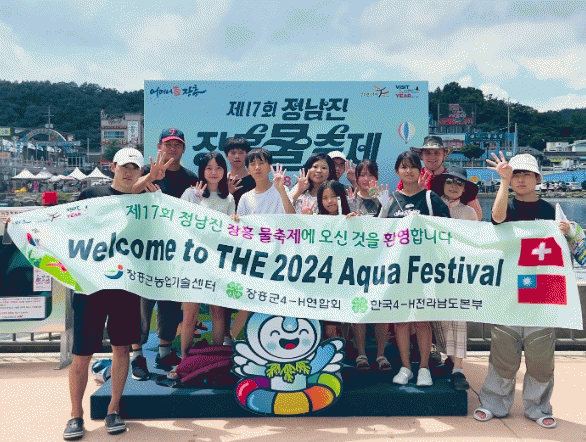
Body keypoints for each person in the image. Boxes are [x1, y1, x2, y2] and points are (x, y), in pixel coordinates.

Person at [63, 148, 157, 440]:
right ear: (113, 167)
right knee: (82, 353)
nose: (128, 172)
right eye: (124, 166)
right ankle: (75, 415)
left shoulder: (145, 204)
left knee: (121, 349)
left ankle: (113, 409)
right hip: (90, 285)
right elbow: (66, 225)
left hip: (125, 286)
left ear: (140, 172)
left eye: (134, 168)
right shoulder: (92, 195)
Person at [473, 152, 568, 429]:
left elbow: (567, 249)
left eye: (527, 174)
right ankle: (493, 403)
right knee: (503, 351)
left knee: (541, 355)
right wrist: (503, 181)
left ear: (538, 178)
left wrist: (566, 231)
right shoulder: (506, 206)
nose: (521, 179)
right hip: (509, 289)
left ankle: (538, 407)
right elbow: (497, 217)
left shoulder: (552, 212)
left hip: (543, 291)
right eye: (516, 174)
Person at [130, 128, 199, 382]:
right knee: (142, 303)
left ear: (184, 148)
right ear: (159, 146)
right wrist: (149, 177)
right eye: (168, 144)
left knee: (170, 302)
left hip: (175, 251)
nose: (172, 149)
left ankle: (165, 351)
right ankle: (137, 355)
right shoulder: (146, 173)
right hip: (146, 249)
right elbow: (127, 194)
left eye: (177, 144)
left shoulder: (190, 177)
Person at [379, 151, 451, 387]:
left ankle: (424, 368)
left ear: (420, 171)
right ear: (397, 171)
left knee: (422, 321)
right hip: (398, 271)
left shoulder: (431, 198)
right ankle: (406, 367)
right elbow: (378, 234)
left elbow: (448, 232)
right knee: (401, 320)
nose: (408, 171)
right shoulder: (389, 201)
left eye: (412, 166)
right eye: (403, 167)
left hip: (425, 271)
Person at [229, 148, 296, 338]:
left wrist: (281, 190)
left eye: (261, 163)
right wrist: (235, 220)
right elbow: (240, 231)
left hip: (280, 258)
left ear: (269, 166)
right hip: (255, 258)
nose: (257, 167)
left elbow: (292, 218)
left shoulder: (281, 190)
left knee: (278, 302)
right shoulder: (245, 197)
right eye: (253, 164)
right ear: (248, 169)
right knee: (248, 302)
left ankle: (278, 341)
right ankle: (230, 341)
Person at [179, 152, 235, 355]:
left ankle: (215, 359)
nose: (214, 172)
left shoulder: (228, 198)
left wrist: (235, 221)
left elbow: (232, 233)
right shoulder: (190, 193)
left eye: (218, 168)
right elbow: (180, 222)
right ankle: (185, 360)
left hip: (218, 262)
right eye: (209, 168)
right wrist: (194, 204)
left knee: (218, 312)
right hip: (193, 262)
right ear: (202, 171)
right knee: (190, 315)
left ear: (224, 171)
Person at [430, 166, 479, 390]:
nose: (454, 186)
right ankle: (449, 359)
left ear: (465, 189)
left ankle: (458, 368)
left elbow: (475, 245)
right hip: (432, 272)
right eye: (449, 181)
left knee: (458, 319)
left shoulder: (469, 213)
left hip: (459, 274)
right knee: (438, 320)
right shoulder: (430, 206)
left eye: (459, 183)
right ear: (442, 184)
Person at [314, 180, 357, 340]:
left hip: (346, 275)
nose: (329, 201)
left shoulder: (352, 218)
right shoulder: (316, 220)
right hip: (324, 278)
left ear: (341, 197)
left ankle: (347, 347)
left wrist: (355, 223)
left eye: (333, 196)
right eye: (325, 198)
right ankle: (331, 348)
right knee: (329, 322)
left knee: (345, 315)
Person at [405, 135, 482, 220]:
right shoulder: (411, 178)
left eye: (437, 153)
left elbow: (477, 216)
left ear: (444, 154)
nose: (432, 157)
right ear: (421, 155)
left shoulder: (456, 176)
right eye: (427, 153)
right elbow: (402, 207)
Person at [224, 137, 255, 209]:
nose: (237, 156)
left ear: (247, 155)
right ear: (226, 156)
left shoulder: (255, 179)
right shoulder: (221, 179)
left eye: (241, 152)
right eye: (233, 153)